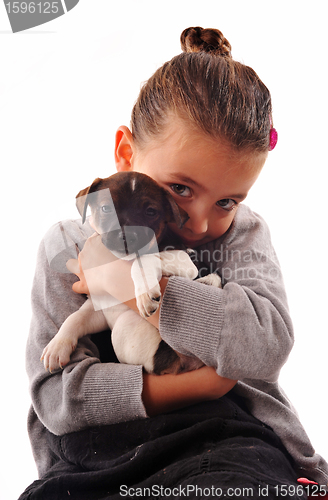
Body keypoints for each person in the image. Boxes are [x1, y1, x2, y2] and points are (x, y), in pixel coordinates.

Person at [19, 27, 328, 499]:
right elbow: (58, 398)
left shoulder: (244, 235)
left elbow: (268, 343)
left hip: (224, 438)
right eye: (179, 189)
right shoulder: (68, 243)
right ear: (127, 153)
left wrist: (127, 285)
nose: (199, 223)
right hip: (97, 456)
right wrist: (200, 386)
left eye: (227, 200)